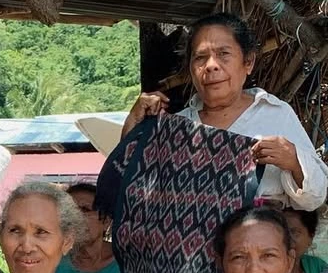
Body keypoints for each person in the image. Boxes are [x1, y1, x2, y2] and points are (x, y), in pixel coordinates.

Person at [123, 13, 328, 210]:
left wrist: (293, 160)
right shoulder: (176, 126)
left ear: (248, 62)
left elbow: (315, 198)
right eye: (200, 57)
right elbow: (128, 186)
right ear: (190, 69)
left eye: (223, 54)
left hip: (254, 242)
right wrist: (133, 122)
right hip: (182, 244)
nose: (211, 66)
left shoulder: (275, 114)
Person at [55, 180, 122, 273]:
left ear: (106, 221)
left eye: (85, 210)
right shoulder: (53, 265)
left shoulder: (127, 263)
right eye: (69, 211)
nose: (75, 217)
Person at [282, 208, 328, 273]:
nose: (287, 239)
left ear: (310, 238)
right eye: (281, 231)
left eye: (295, 232)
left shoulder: (320, 270)